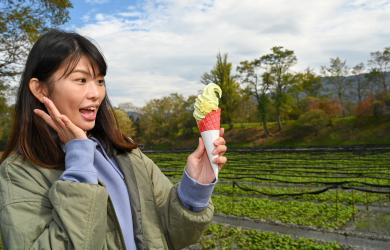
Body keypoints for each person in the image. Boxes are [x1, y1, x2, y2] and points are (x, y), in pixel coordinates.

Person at [0, 30, 227, 250]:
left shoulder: (126, 154)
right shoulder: (19, 173)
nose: (96, 93)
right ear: (40, 90)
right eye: (81, 80)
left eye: (100, 81)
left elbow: (171, 235)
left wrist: (194, 188)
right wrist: (79, 160)